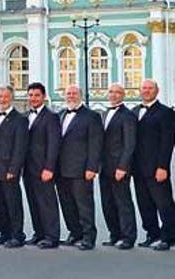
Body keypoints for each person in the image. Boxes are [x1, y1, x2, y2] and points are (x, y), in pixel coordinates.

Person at [57, 85, 103, 250]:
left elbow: (95, 144)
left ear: (81, 96)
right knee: (67, 203)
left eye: (74, 93)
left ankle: (88, 236)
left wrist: (92, 167)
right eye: (68, 93)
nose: (71, 96)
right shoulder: (60, 114)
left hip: (81, 169)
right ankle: (74, 232)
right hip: (61, 169)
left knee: (84, 204)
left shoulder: (92, 116)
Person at [132, 79, 175, 251]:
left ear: (157, 91)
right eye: (144, 88)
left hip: (157, 168)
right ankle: (152, 233)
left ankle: (169, 237)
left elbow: (167, 142)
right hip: (138, 168)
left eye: (150, 88)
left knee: (164, 204)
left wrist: (163, 166)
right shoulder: (134, 111)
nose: (147, 91)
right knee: (144, 203)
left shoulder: (165, 113)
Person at [23, 82, 61, 249]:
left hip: (43, 168)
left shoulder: (51, 117)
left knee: (47, 202)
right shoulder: (25, 116)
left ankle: (51, 236)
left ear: (44, 97)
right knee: (33, 202)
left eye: (37, 95)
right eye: (30, 95)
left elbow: (54, 144)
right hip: (28, 168)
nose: (33, 98)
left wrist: (49, 167)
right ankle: (39, 233)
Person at [0, 85, 28, 248]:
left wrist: (14, 169)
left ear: (11, 98)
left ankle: (17, 234)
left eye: (5, 97)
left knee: (12, 202)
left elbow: (20, 147)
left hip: (9, 169)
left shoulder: (20, 120)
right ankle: (4, 232)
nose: (2, 100)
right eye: (0, 97)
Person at [99, 83, 136, 250]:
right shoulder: (105, 113)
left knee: (123, 202)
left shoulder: (127, 115)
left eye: (117, 92)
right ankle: (115, 234)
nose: (113, 95)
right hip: (104, 167)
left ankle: (128, 237)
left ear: (123, 95)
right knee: (108, 202)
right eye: (111, 92)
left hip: (119, 167)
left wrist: (123, 167)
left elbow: (130, 144)